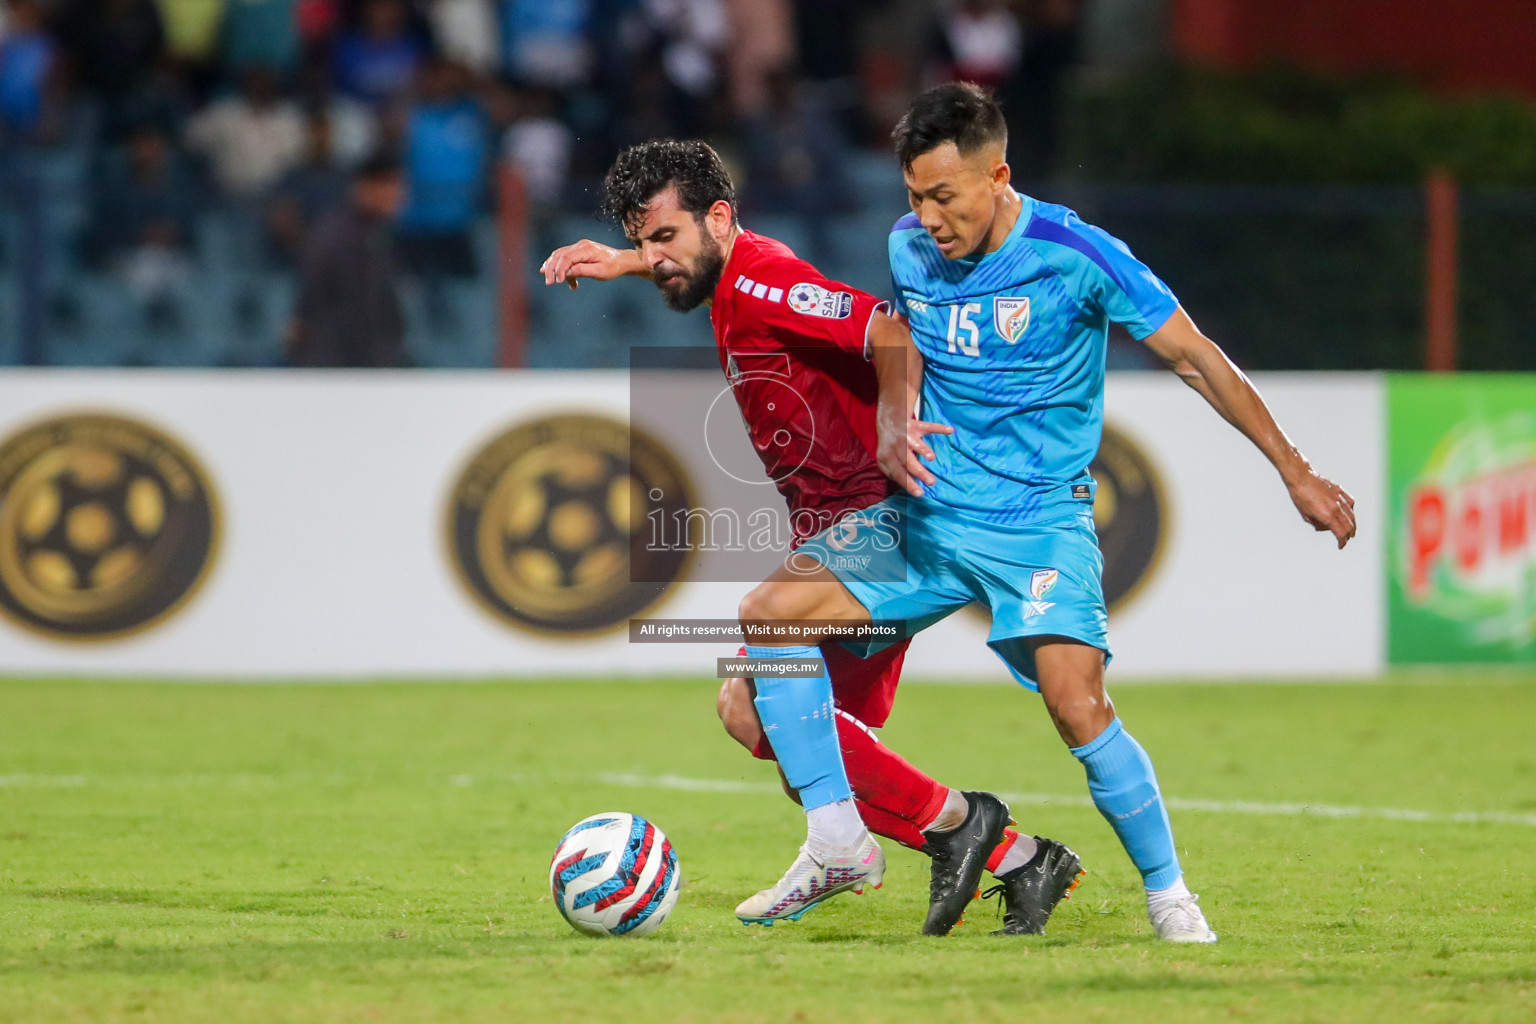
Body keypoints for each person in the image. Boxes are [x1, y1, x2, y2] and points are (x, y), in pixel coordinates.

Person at [743, 83, 1360, 943]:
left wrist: (1294, 470)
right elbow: (902, 336)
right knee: (767, 619)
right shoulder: (910, 247)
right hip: (929, 516)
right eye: (913, 196)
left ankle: (1170, 895)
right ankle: (839, 839)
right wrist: (894, 413)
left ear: (999, 176)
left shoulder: (1076, 252)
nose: (926, 218)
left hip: (1038, 522)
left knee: (1078, 707)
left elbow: (1195, 356)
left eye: (944, 196)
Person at [539, 139, 1085, 935]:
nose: (655, 258)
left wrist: (897, 423)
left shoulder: (761, 279)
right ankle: (1013, 855)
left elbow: (887, 330)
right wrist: (623, 259)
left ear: (719, 219)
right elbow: (692, 259)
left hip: (886, 518)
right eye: (644, 240)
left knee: (767, 634)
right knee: (769, 724)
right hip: (846, 528)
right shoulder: (734, 274)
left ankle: (845, 846)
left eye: (665, 238)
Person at [287, 152, 407, 367]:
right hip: (337, 367)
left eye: (398, 185)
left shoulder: (380, 235)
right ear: (364, 186)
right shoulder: (334, 236)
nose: (396, 194)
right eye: (387, 184)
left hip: (371, 364)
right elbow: (311, 301)